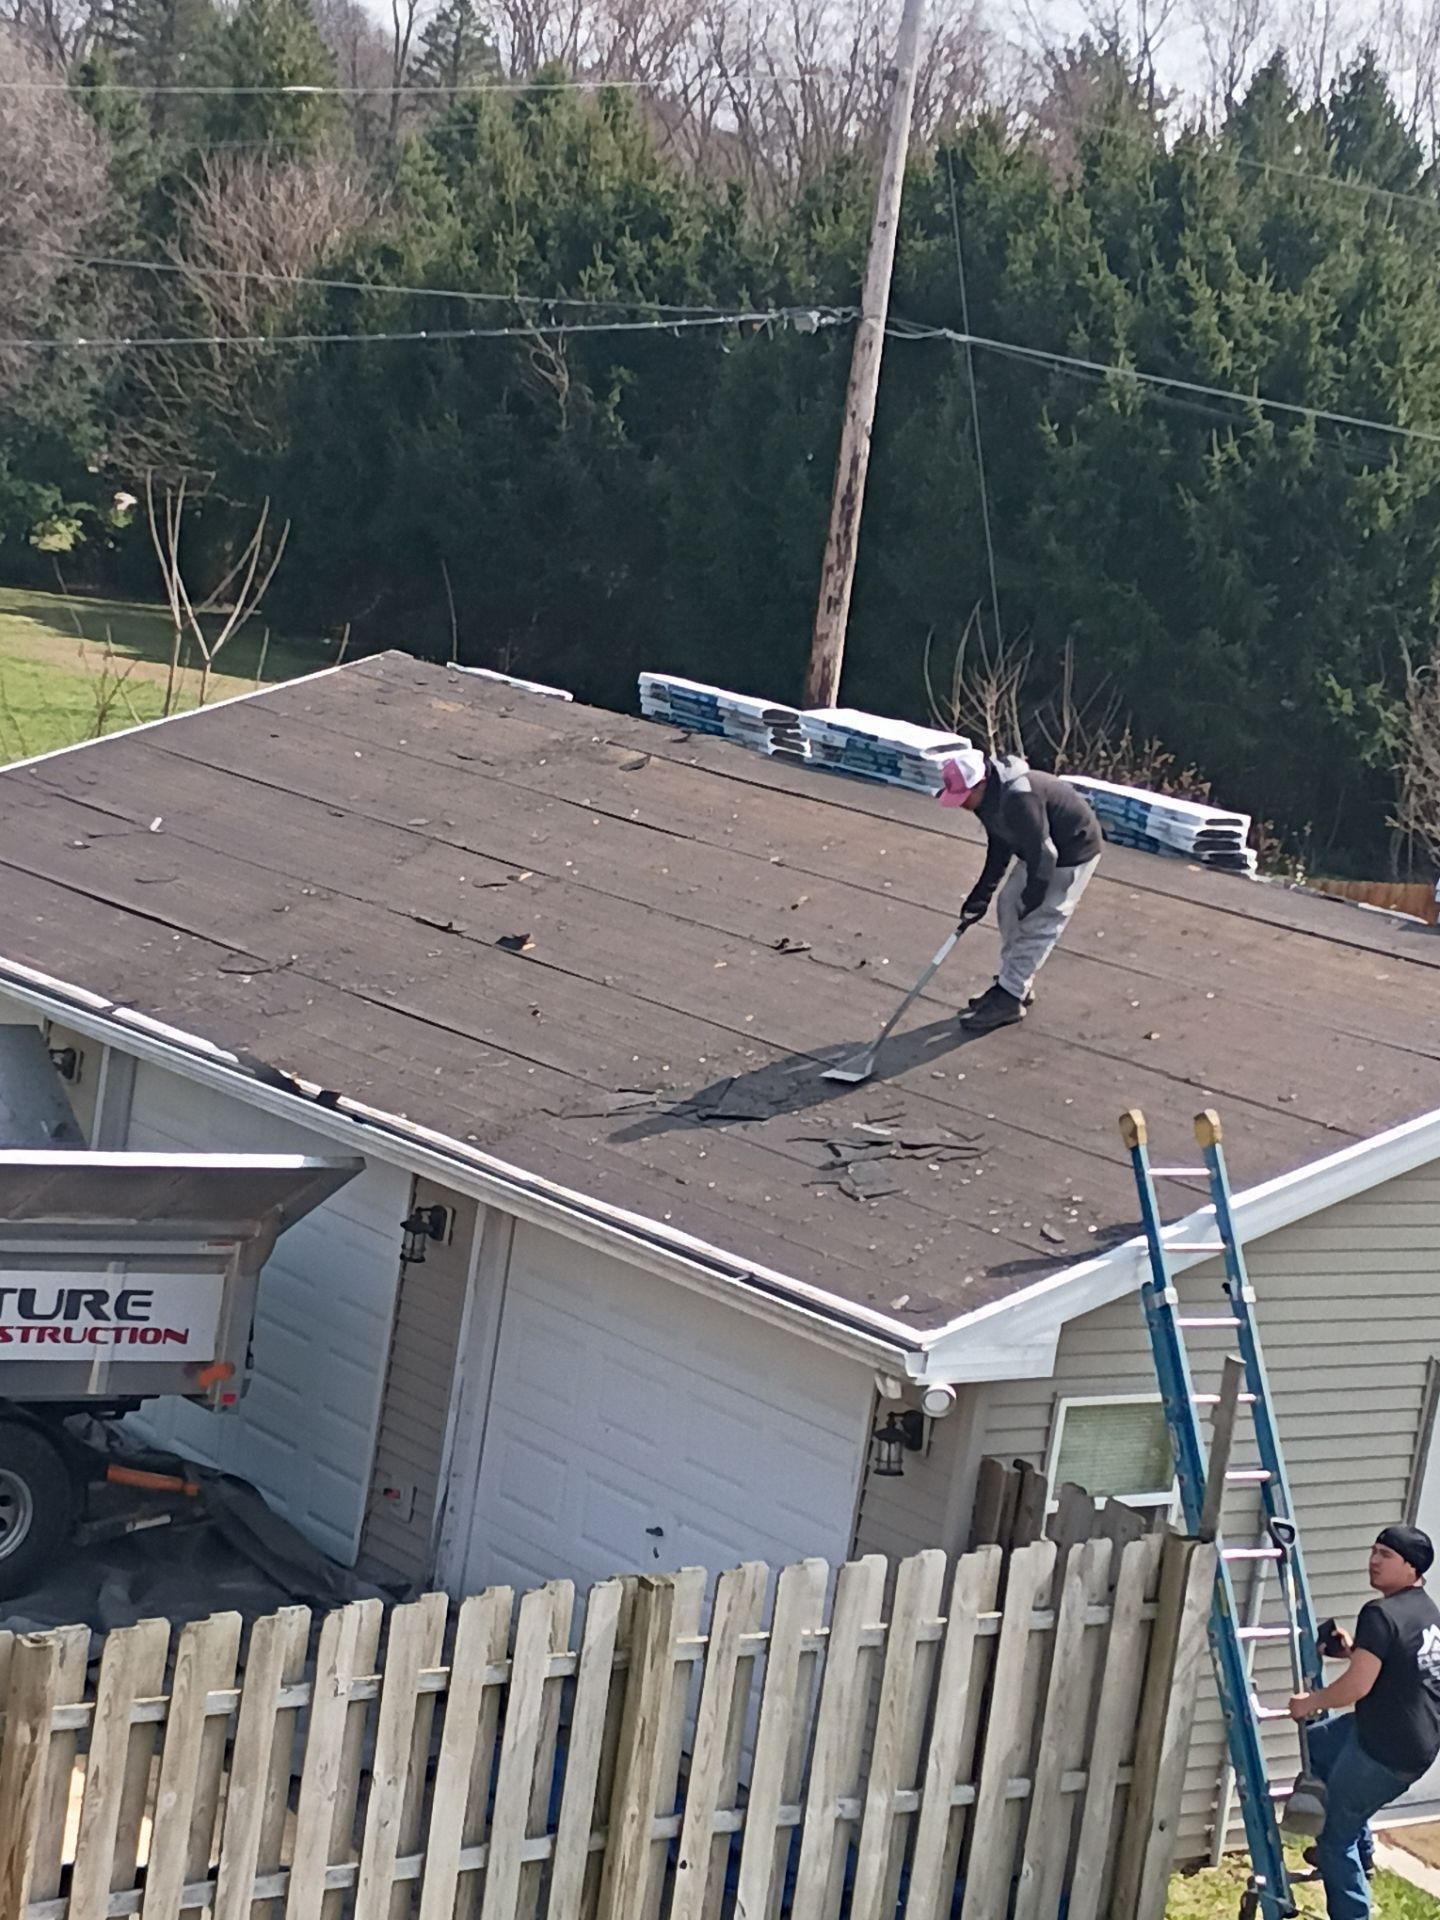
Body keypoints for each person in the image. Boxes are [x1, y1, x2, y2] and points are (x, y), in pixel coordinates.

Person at [1289, 1525, 1440, 1920]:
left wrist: (1311, 1702)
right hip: (1401, 1737)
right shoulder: (1424, 1609)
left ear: (1412, 1567)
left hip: (1385, 1752)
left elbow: (1357, 1686)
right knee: (1318, 1746)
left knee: (1335, 1836)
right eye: (1373, 1551)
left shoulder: (1379, 1612)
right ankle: (1365, 1853)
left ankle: (1353, 1909)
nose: (1373, 1561)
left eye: (1386, 1556)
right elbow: (1395, 1664)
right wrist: (1353, 1650)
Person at [936, 749, 1103, 1031]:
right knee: (1008, 906)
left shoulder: (1019, 797)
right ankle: (1012, 983)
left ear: (981, 783)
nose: (962, 805)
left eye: (964, 797)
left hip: (1072, 850)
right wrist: (982, 895)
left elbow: (1046, 856)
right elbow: (1000, 845)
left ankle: (1011, 997)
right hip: (1038, 851)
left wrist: (1033, 899)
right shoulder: (987, 800)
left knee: (1038, 923)